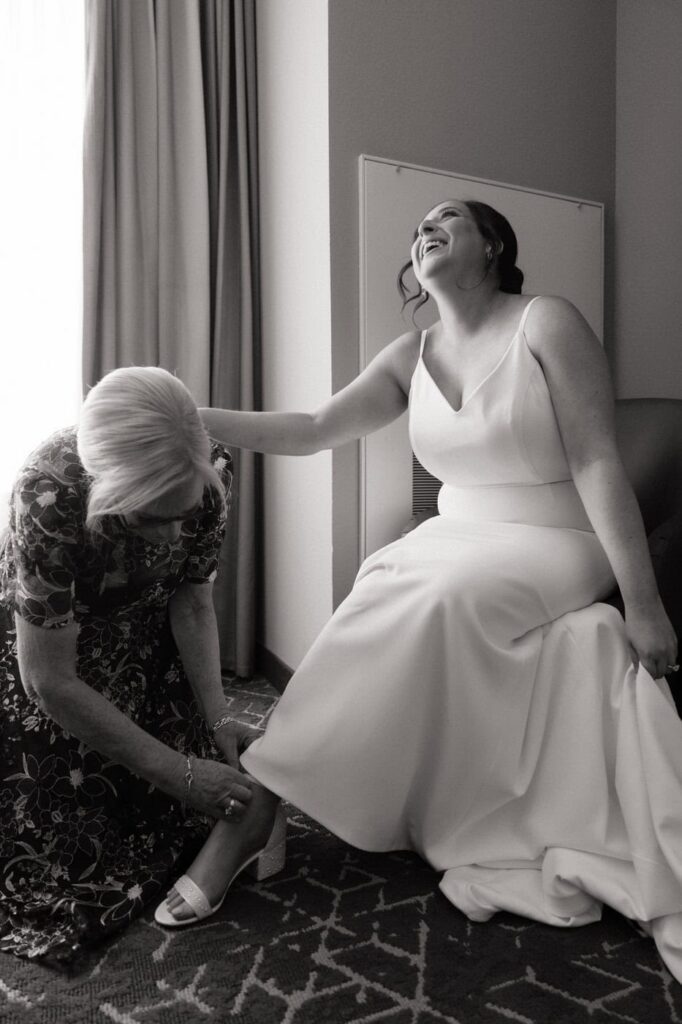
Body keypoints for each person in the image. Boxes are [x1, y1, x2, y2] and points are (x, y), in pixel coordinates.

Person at [158, 201, 682, 980]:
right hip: (456, 535)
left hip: (555, 538)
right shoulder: (413, 352)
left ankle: (257, 805)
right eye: (417, 229)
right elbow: (311, 427)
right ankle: (276, 789)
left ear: (493, 245)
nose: (423, 230)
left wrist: (644, 605)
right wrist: (186, 418)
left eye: (446, 220)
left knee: (440, 596)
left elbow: (600, 462)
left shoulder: (547, 322)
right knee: (379, 580)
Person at [0, 366, 285, 967]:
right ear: (105, 489)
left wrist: (217, 716)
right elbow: (47, 679)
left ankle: (248, 820)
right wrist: (176, 771)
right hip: (58, 654)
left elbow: (191, 599)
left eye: (185, 513)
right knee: (59, 847)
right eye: (154, 519)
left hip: (148, 643)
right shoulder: (47, 493)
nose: (175, 533)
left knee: (205, 781)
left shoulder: (210, 470)